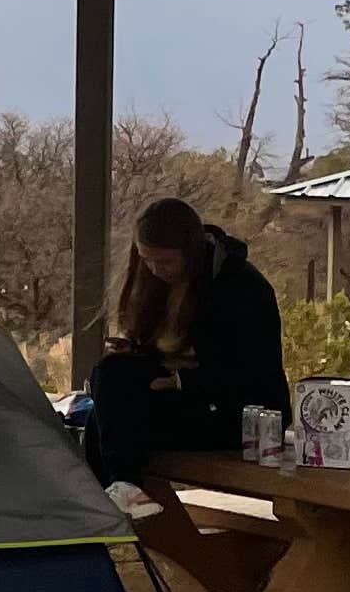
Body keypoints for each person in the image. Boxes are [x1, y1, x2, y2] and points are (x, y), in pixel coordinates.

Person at [83, 195, 288, 485]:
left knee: (110, 417)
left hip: (241, 414)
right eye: (146, 261)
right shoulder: (156, 284)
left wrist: (177, 381)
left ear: (189, 252)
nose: (155, 270)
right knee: (109, 381)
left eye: (164, 261)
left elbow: (247, 373)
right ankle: (123, 493)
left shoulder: (239, 287)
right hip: (185, 396)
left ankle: (122, 491)